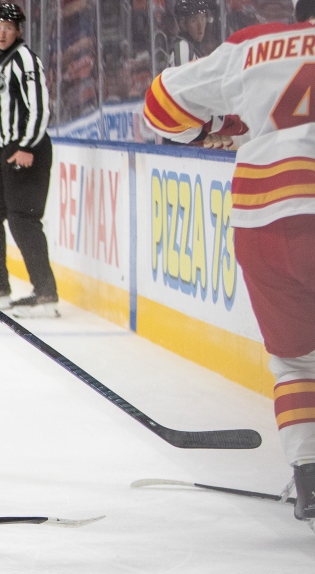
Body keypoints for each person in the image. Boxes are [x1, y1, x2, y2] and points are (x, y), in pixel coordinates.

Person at [142, 0, 315, 526]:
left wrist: (215, 129)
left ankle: (308, 476)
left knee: (296, 362)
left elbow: (159, 106)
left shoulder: (254, 46)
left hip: (260, 223)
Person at [0, 3, 58, 319]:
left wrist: (24, 146)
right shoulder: (1, 64)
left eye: (9, 26)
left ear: (19, 30)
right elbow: (3, 113)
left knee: (23, 218)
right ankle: (0, 289)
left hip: (27, 149)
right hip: (6, 149)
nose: (3, 32)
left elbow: (39, 108)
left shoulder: (24, 59)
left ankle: (46, 293)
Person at [167, 0, 215, 68]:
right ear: (183, 24)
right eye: (194, 20)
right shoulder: (183, 48)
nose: (200, 26)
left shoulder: (193, 47)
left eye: (202, 18)